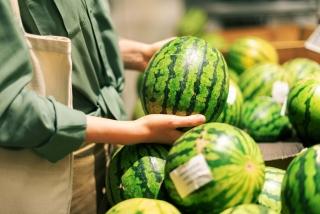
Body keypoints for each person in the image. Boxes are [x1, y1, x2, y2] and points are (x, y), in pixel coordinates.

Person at [0, 1, 205, 214]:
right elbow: (8, 108)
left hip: (108, 149)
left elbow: (78, 39)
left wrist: (140, 54)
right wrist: (135, 131)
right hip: (54, 168)